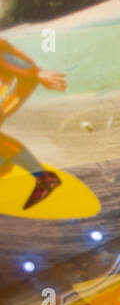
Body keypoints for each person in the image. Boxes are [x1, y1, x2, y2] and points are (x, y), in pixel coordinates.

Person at [0, 38, 67, 208]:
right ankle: (5, 163)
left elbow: (8, 56)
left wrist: (37, 73)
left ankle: (44, 178)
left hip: (19, 82)